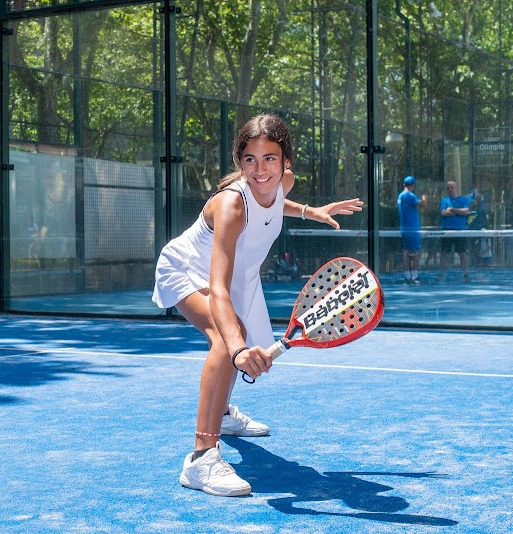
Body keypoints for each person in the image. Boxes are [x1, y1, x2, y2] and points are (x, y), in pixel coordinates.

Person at [152, 114, 364, 497]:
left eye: (270, 158)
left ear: (286, 161)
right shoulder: (230, 205)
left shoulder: (283, 182)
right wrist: (236, 351)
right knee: (225, 339)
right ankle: (201, 458)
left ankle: (223, 413)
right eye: (250, 159)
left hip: (237, 276)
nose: (260, 168)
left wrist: (309, 211)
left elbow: (274, 200)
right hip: (187, 270)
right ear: (239, 161)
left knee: (242, 334)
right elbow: (217, 287)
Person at [396, 176, 428, 284]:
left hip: (404, 228)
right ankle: (414, 276)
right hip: (412, 229)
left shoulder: (400, 196)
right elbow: (423, 205)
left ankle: (407, 276)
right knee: (416, 252)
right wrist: (424, 197)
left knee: (407, 252)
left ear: (404, 185)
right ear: (413, 186)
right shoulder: (409, 195)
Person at [439, 180, 471, 282]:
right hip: (446, 231)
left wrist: (452, 209)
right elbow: (443, 213)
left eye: (452, 188)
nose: (450, 190)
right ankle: (442, 275)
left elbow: (466, 212)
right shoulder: (444, 200)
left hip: (460, 231)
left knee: (463, 253)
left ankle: (466, 275)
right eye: (448, 188)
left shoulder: (464, 200)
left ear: (456, 188)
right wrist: (458, 212)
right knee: (444, 253)